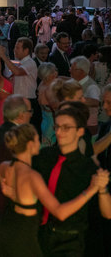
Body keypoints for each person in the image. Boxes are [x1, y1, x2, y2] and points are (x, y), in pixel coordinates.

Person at [0, 123, 108, 257]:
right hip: (23, 239)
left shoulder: (5, 167)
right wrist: (91, 190)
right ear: (30, 145)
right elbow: (60, 212)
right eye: (37, 139)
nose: (39, 142)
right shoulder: (33, 176)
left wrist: (11, 192)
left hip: (3, 231)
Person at [33, 105, 111, 255]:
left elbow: (108, 213)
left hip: (70, 241)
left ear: (80, 131)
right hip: (40, 233)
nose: (59, 132)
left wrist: (101, 189)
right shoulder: (44, 157)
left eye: (66, 127)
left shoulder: (88, 168)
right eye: (57, 126)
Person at [0, 95, 33, 221]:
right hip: (15, 196)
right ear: (21, 115)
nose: (31, 115)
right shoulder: (23, 137)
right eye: (29, 111)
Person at [0, 37, 40, 134]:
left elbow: (17, 72)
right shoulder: (21, 63)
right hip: (20, 102)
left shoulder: (30, 63)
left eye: (17, 48)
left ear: (26, 50)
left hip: (28, 101)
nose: (14, 50)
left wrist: (3, 56)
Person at [70, 56, 101, 135]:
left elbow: (96, 102)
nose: (69, 70)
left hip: (88, 127)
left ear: (81, 71)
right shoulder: (74, 81)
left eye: (72, 69)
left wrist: (75, 99)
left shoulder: (91, 87)